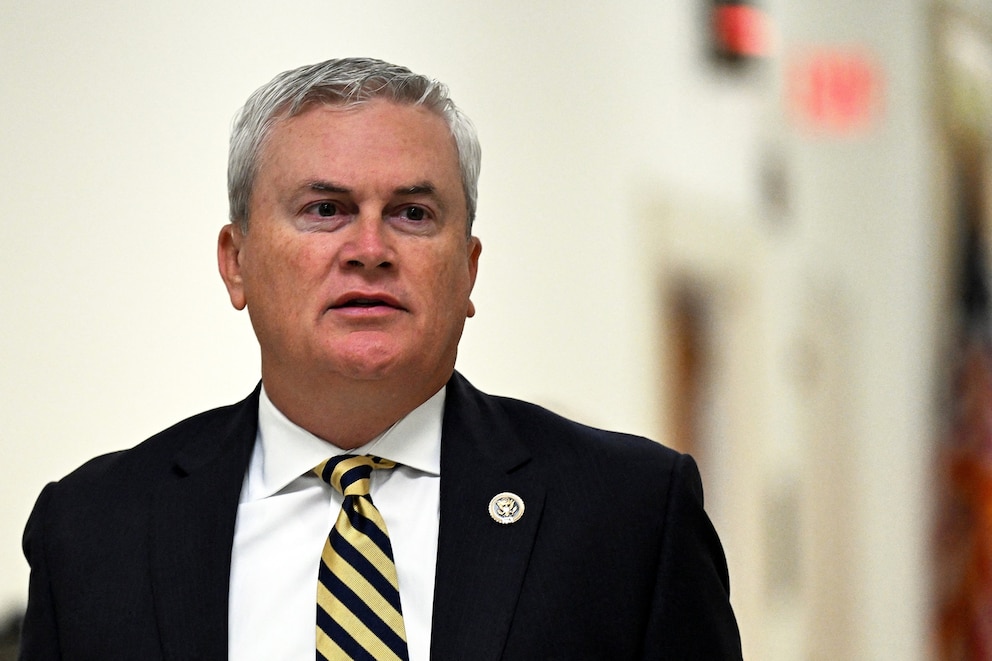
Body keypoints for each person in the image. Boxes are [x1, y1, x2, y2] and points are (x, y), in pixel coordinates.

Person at [18, 57, 743, 660]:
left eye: (413, 214)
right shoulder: (91, 531)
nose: (370, 250)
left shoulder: (630, 516)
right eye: (324, 209)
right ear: (235, 263)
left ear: (468, 268)